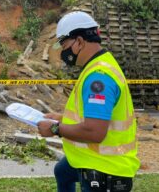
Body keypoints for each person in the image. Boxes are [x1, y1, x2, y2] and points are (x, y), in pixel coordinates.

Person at [37, 11, 139, 192]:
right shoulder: (99, 65)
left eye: (64, 44)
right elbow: (94, 115)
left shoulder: (98, 78)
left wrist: (54, 129)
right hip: (94, 160)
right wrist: (61, 118)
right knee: (62, 171)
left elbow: (95, 132)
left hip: (105, 170)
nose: (62, 51)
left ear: (79, 42)